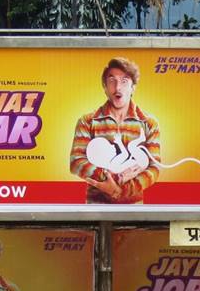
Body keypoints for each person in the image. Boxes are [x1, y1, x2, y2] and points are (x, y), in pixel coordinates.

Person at [68, 56, 162, 204]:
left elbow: (154, 168)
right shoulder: (87, 121)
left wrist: (120, 191)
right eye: (112, 81)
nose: (117, 87)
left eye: (124, 81)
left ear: (133, 88)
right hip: (96, 207)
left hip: (134, 209)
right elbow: (76, 162)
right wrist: (111, 179)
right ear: (105, 87)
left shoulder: (149, 123)